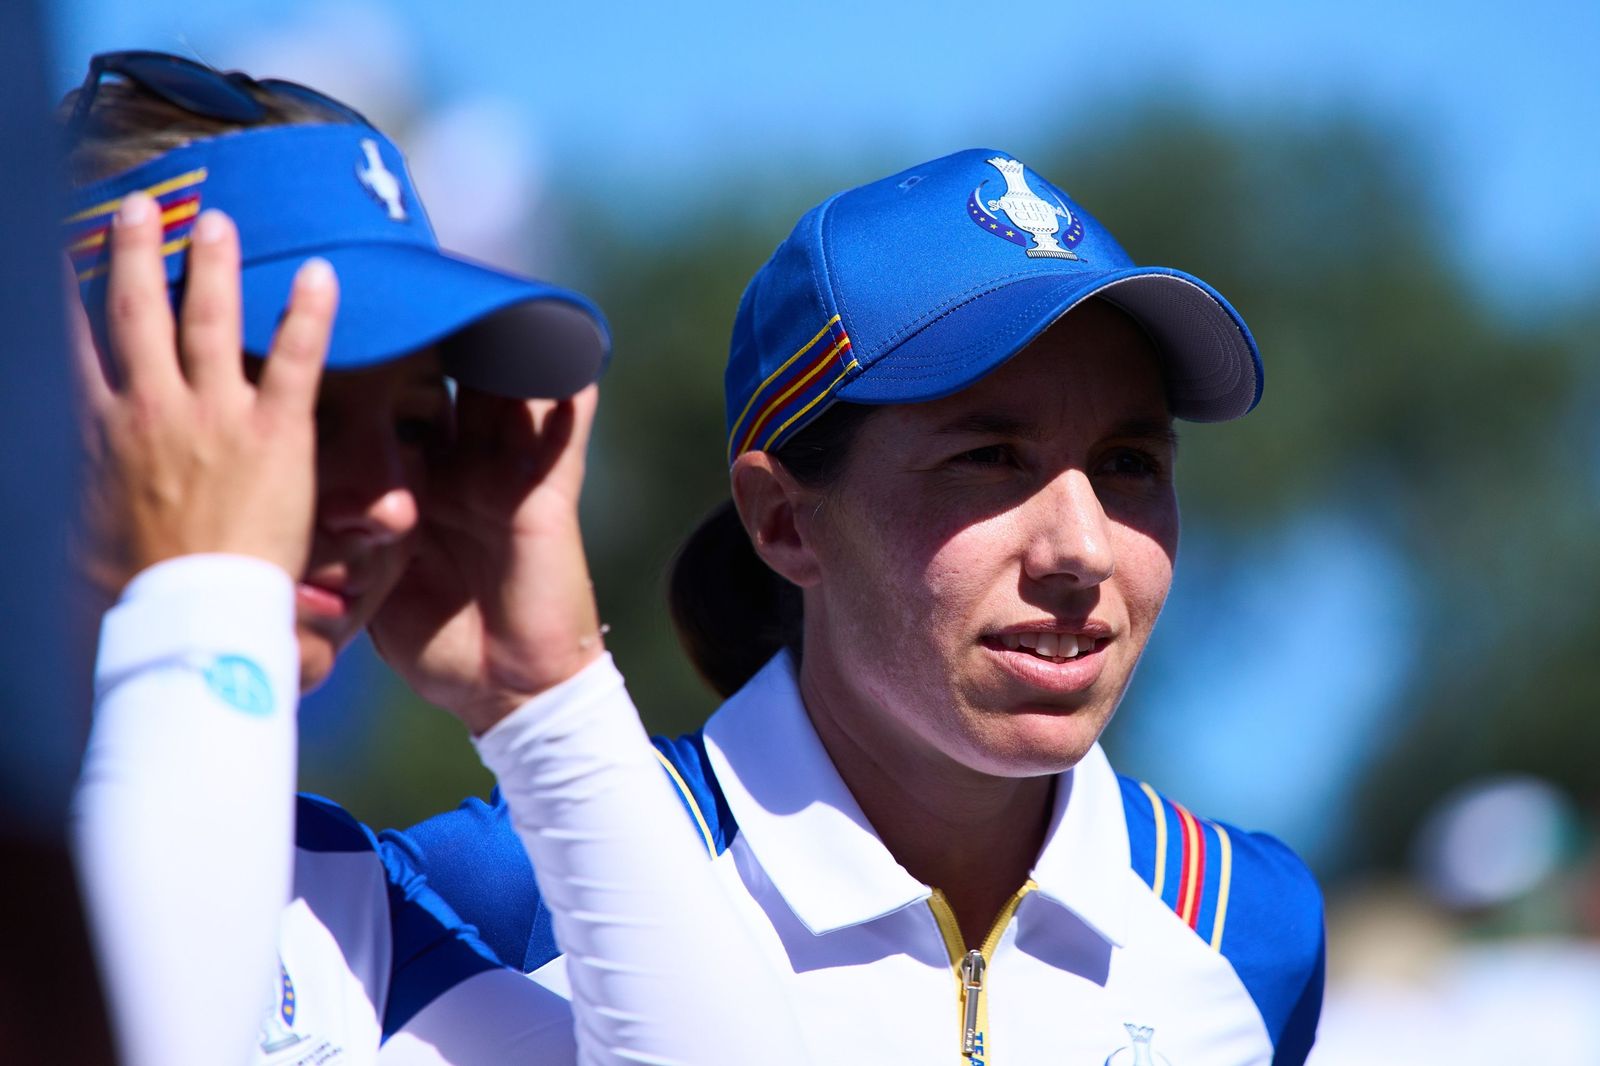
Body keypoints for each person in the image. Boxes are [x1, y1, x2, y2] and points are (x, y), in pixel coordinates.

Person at [388, 149, 1327, 1064]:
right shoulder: (511, 895)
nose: (1083, 550)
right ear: (783, 520)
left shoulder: (1251, 931)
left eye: (1129, 464)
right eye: (988, 458)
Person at [64, 51, 801, 1065]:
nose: (393, 500)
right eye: (290, 405)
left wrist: (546, 699)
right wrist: (205, 589)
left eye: (416, 427)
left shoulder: (325, 886)